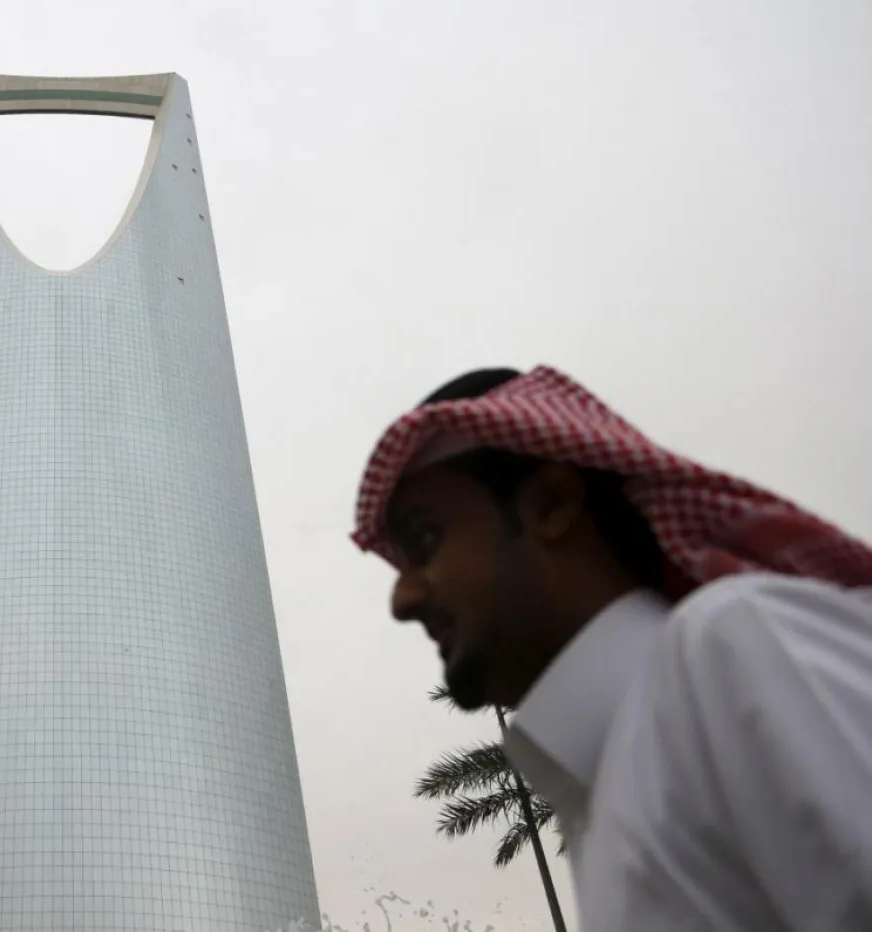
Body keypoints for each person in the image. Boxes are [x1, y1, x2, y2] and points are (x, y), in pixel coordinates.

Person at [349, 365, 872, 931]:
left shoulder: (729, 646)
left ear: (550, 504)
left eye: (426, 541)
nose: (402, 599)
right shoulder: (604, 789)